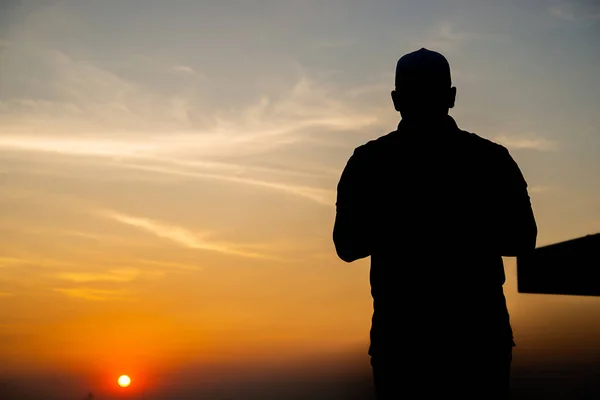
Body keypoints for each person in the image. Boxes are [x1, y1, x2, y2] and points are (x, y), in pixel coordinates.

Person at [333, 48, 537, 399]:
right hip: (477, 341)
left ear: (396, 100)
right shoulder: (490, 159)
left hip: (403, 341)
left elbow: (347, 246)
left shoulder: (369, 162)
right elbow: (522, 240)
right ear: (452, 97)